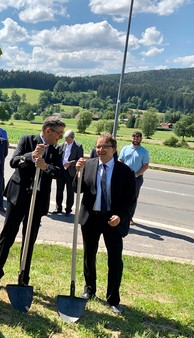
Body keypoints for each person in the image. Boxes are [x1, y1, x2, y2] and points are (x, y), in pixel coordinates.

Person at [0, 116, 65, 291]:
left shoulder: (56, 150)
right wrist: (31, 156)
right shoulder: (27, 140)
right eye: (58, 133)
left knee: (29, 239)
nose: (60, 137)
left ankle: (23, 277)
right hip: (18, 196)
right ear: (48, 131)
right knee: (7, 235)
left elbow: (60, 173)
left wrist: (47, 167)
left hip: (38, 200)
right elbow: (13, 161)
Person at [75, 133, 136, 315]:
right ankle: (89, 289)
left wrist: (121, 216)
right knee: (89, 255)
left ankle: (113, 299)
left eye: (104, 147)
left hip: (112, 220)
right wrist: (77, 173)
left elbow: (130, 200)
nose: (100, 150)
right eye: (98, 147)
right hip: (91, 218)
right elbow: (77, 190)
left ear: (114, 149)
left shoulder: (124, 172)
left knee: (115, 260)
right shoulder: (89, 165)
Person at [118, 131, 150, 225]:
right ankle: (119, 215)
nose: (135, 139)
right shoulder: (125, 148)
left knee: (132, 198)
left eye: (138, 138)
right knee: (120, 196)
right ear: (132, 138)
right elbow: (120, 161)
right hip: (124, 177)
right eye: (134, 137)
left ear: (141, 139)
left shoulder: (144, 151)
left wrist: (136, 175)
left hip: (136, 178)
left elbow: (145, 165)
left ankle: (129, 217)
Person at [54, 130, 84, 216]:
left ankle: (68, 209)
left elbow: (80, 159)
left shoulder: (78, 146)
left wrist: (71, 163)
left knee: (70, 191)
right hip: (61, 170)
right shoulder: (61, 145)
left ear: (72, 138)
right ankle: (58, 207)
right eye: (65, 138)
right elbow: (58, 156)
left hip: (71, 171)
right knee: (59, 190)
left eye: (68, 138)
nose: (66, 140)